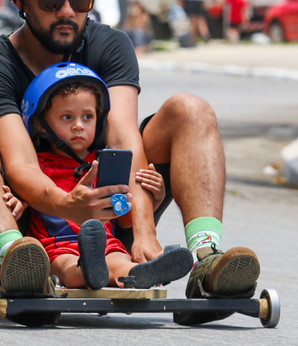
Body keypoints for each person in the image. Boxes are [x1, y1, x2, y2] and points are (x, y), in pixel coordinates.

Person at [0, 0, 261, 326]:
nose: (67, 12)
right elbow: (20, 164)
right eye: (52, 1)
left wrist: (142, 229)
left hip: (112, 216)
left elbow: (124, 139)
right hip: (30, 223)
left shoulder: (110, 44)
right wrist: (69, 205)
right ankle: (19, 262)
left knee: (192, 110)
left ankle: (206, 261)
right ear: (20, 1)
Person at [22, 62, 192, 289]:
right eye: (66, 117)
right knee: (68, 268)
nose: (78, 126)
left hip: (105, 244)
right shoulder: (37, 164)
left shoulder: (105, 163)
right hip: (55, 246)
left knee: (120, 261)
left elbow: (121, 211)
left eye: (87, 117)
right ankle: (89, 271)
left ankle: (144, 272)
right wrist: (16, 200)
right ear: (41, 124)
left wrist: (156, 197)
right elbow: (28, 194)